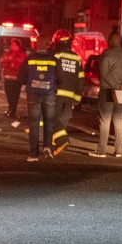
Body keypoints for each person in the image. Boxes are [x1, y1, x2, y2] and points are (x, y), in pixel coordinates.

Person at [91, 32, 122, 158]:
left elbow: (104, 73)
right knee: (119, 119)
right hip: (121, 91)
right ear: (120, 41)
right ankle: (118, 150)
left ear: (110, 41)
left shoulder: (106, 54)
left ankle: (102, 150)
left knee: (105, 120)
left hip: (108, 90)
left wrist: (115, 84)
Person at [21, 41, 59, 161]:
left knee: (34, 124)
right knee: (49, 122)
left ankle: (33, 155)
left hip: (33, 95)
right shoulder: (54, 59)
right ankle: (47, 146)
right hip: (49, 94)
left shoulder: (30, 59)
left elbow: (20, 76)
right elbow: (61, 77)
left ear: (35, 47)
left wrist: (29, 82)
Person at [50, 29, 83, 157]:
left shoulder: (56, 55)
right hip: (70, 96)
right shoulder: (76, 58)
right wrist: (78, 97)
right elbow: (80, 78)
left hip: (57, 94)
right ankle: (55, 144)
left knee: (53, 119)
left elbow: (51, 74)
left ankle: (62, 140)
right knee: (62, 120)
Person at [0, 38, 26, 118]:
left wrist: (9, 65)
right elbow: (1, 62)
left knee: (15, 95)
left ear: (18, 46)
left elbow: (21, 66)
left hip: (17, 79)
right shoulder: (7, 54)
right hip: (7, 78)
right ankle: (10, 109)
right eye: (11, 44)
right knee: (8, 94)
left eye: (13, 45)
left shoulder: (22, 55)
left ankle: (12, 111)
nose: (11, 46)